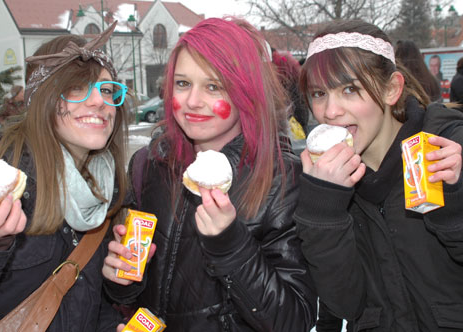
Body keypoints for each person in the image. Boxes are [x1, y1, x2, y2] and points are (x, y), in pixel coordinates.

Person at [103, 17, 317, 331]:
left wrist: (230, 244)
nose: (192, 101)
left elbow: (294, 320)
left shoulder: (282, 181)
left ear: (246, 92)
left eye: (213, 86)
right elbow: (134, 290)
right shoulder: (149, 164)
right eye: (183, 83)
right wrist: (121, 281)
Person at [0, 23, 128, 331]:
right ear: (42, 99)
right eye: (76, 89)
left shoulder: (104, 188)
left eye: (107, 90)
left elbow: (80, 302)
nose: (99, 101)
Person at [294, 19, 463, 331]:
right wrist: (323, 213)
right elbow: (344, 305)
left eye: (350, 89)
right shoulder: (322, 179)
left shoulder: (452, 150)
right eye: (319, 93)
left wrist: (455, 211)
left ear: (392, 88)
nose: (329, 111)